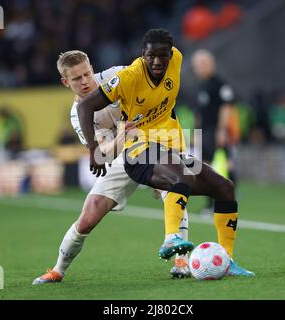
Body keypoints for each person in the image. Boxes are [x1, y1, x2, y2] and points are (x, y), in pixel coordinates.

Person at [77, 28, 254, 276]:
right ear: (142, 55)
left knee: (225, 187)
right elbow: (85, 106)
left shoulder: (178, 60)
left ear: (171, 54)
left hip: (170, 148)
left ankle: (227, 262)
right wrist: (93, 148)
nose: (157, 61)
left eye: (163, 55)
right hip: (138, 152)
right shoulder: (129, 77)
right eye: (151, 56)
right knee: (183, 177)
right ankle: (171, 238)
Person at [33, 50, 191, 285]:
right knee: (89, 215)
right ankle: (58, 270)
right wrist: (122, 136)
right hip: (123, 153)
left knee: (173, 188)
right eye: (76, 78)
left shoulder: (117, 76)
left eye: (87, 73)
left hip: (157, 139)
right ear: (65, 82)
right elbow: (101, 153)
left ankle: (181, 261)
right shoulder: (79, 116)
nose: (85, 81)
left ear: (92, 67)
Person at [190, 49, 238, 214]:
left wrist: (222, 130)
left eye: (203, 64)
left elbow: (226, 107)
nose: (200, 68)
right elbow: (198, 114)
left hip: (217, 131)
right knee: (205, 167)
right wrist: (196, 133)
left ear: (212, 64)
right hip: (204, 132)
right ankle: (211, 204)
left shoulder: (220, 85)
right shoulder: (200, 87)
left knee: (224, 166)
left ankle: (227, 202)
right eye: (197, 65)